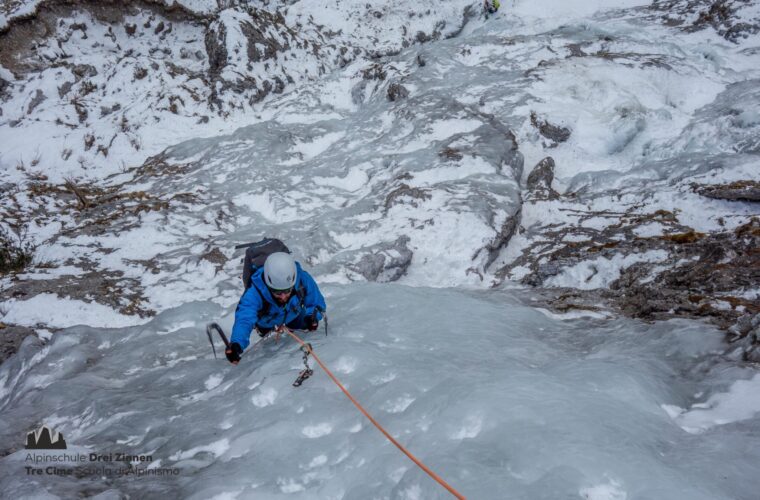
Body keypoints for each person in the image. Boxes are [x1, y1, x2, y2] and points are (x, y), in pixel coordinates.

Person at [225, 252, 326, 365]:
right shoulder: (254, 293)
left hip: (294, 313)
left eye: (287, 291)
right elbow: (245, 319)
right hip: (267, 321)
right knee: (268, 344)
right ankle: (264, 330)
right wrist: (237, 344)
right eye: (277, 292)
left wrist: (312, 317)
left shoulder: (302, 278)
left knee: (303, 327)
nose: (283, 296)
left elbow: (316, 302)